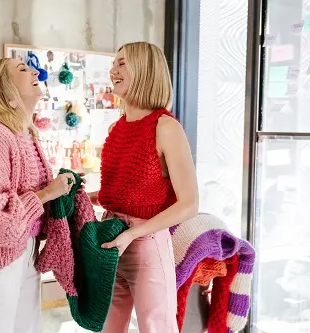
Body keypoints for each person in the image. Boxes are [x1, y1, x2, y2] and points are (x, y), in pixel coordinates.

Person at [0, 58, 78, 333]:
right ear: (6, 94)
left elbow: (35, 198)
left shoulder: (25, 135)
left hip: (22, 249)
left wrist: (68, 192)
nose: (35, 71)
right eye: (22, 69)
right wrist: (46, 193)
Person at [89, 42, 199, 333]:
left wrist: (134, 233)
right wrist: (79, 196)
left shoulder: (165, 127)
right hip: (111, 239)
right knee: (107, 327)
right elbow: (119, 194)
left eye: (122, 63)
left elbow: (189, 203)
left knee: (157, 328)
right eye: (114, 63)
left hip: (146, 244)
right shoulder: (116, 128)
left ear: (146, 71)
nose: (113, 70)